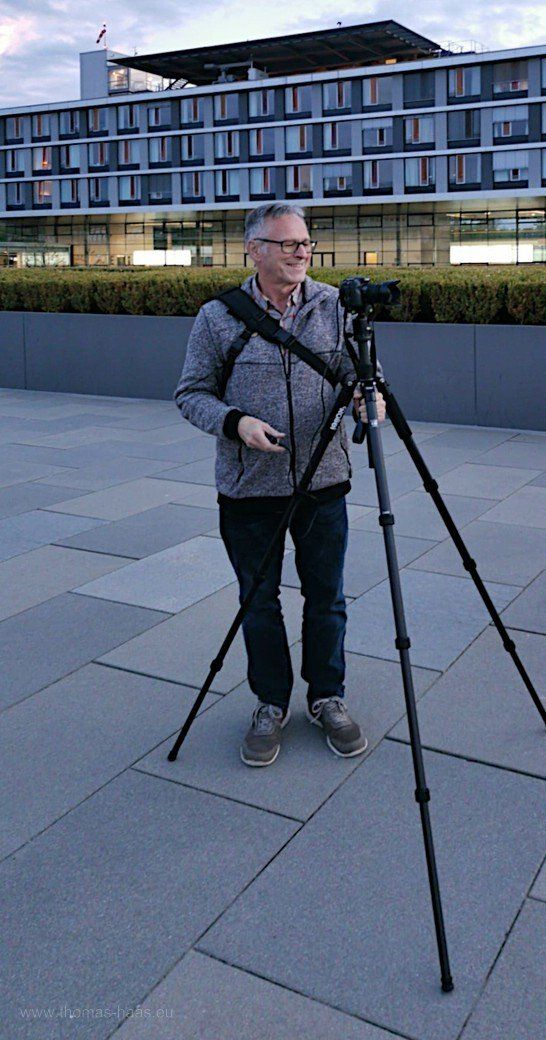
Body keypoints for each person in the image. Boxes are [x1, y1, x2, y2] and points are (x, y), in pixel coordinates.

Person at [175, 203, 386, 767]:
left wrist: (369, 401)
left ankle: (326, 698)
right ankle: (270, 703)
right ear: (255, 249)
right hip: (249, 488)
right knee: (258, 603)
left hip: (325, 480)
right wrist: (235, 423)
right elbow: (190, 394)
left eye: (306, 244)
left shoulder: (335, 306)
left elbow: (357, 374)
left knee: (327, 598)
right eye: (288, 243)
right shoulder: (219, 317)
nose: (301, 253)